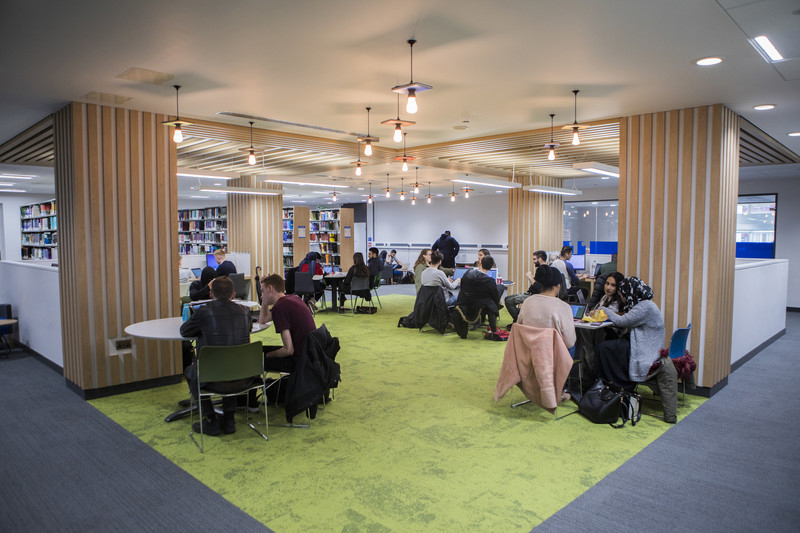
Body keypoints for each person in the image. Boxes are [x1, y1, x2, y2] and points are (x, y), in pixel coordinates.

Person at [180, 276, 254, 436]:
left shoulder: (204, 312)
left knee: (191, 371)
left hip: (213, 378)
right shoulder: (244, 312)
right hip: (244, 377)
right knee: (230, 361)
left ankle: (211, 420)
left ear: (211, 293)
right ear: (233, 294)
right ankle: (229, 420)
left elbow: (184, 331)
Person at [594, 277, 665, 391]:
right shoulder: (646, 304)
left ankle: (618, 384)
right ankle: (613, 382)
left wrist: (604, 310)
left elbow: (622, 322)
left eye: (622, 295)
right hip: (648, 346)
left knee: (603, 348)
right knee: (611, 347)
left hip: (645, 350)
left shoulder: (644, 307)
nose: (622, 298)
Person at [258, 274, 317, 373]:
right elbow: (263, 320)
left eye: (262, 291)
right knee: (260, 351)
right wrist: (264, 301)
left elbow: (288, 350)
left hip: (299, 361)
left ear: (270, 288)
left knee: (257, 358)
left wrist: (269, 355)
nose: (261, 295)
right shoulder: (293, 299)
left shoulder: (279, 308)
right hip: (311, 355)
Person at [516, 264, 576, 353]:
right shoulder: (564, 307)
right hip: (553, 355)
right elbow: (569, 342)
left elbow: (519, 328)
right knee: (573, 347)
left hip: (529, 352)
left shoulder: (527, 302)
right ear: (558, 286)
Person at [456, 255, 502, 333]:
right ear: (491, 267)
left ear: (480, 263)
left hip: (465, 301)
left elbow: (462, 287)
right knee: (495, 298)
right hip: (480, 304)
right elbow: (495, 297)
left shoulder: (467, 273)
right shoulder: (490, 281)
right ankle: (493, 330)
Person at [504, 250, 548, 325]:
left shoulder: (542, 269)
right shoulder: (544, 269)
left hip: (533, 295)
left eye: (534, 259)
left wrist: (530, 277)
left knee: (509, 301)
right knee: (507, 298)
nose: (533, 261)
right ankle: (519, 317)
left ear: (540, 259)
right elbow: (540, 282)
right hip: (530, 293)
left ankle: (518, 320)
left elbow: (539, 288)